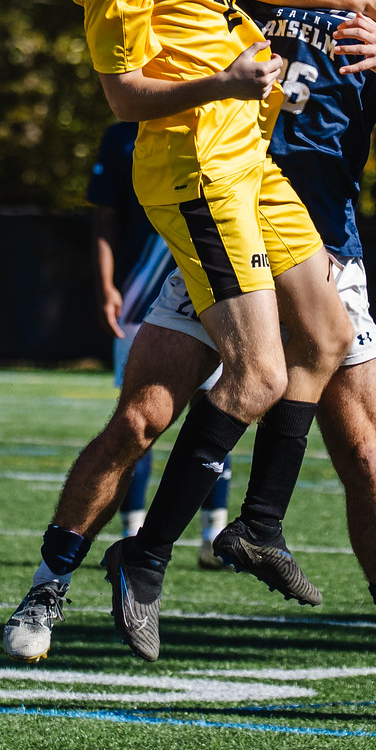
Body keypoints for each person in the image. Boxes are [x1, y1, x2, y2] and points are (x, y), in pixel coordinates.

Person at [11, 0, 376, 720]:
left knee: (361, 452)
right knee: (140, 416)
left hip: (321, 244)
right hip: (219, 218)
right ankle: (48, 585)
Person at [52, 0, 376, 661]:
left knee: (326, 342)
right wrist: (223, 81)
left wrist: (367, 6)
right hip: (196, 169)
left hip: (251, 168)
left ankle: (250, 526)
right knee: (237, 383)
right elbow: (122, 95)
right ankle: (130, 562)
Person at [87, 119, 229, 552]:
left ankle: (213, 534)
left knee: (217, 411)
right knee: (137, 417)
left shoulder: (219, 113)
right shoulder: (122, 133)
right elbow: (104, 213)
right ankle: (132, 534)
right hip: (138, 293)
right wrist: (106, 284)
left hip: (210, 285)